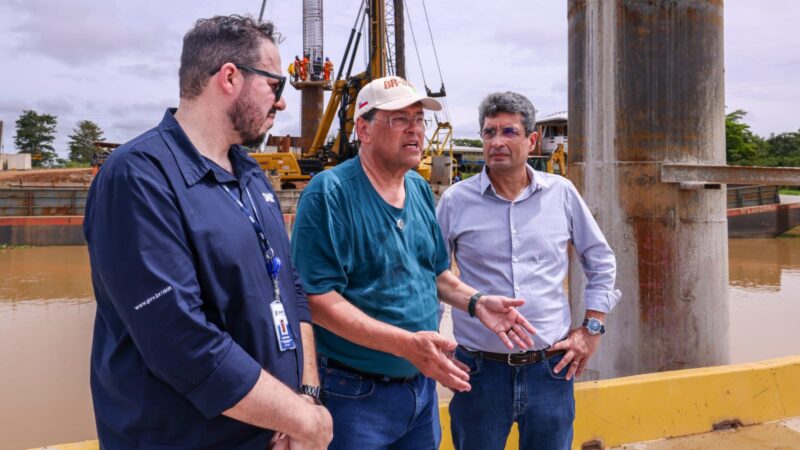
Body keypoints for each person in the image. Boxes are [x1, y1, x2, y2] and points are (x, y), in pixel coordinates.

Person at [83, 15, 332, 450]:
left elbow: (290, 289)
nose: (281, 104)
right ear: (230, 78)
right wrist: (302, 421)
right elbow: (180, 340)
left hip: (274, 433)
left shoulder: (251, 174)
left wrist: (306, 397)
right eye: (275, 85)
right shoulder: (138, 178)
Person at [291, 76, 537, 450]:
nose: (415, 130)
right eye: (399, 119)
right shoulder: (330, 194)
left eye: (419, 119)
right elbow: (316, 301)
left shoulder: (419, 189)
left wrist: (476, 302)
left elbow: (436, 273)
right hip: (354, 395)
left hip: (419, 391)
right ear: (363, 130)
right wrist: (406, 345)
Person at [436, 91, 622, 450]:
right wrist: (434, 344)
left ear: (531, 140)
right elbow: (433, 277)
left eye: (509, 132)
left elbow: (600, 260)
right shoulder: (455, 201)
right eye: (489, 132)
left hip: (551, 370)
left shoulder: (562, 194)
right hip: (478, 373)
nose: (497, 142)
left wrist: (591, 329)